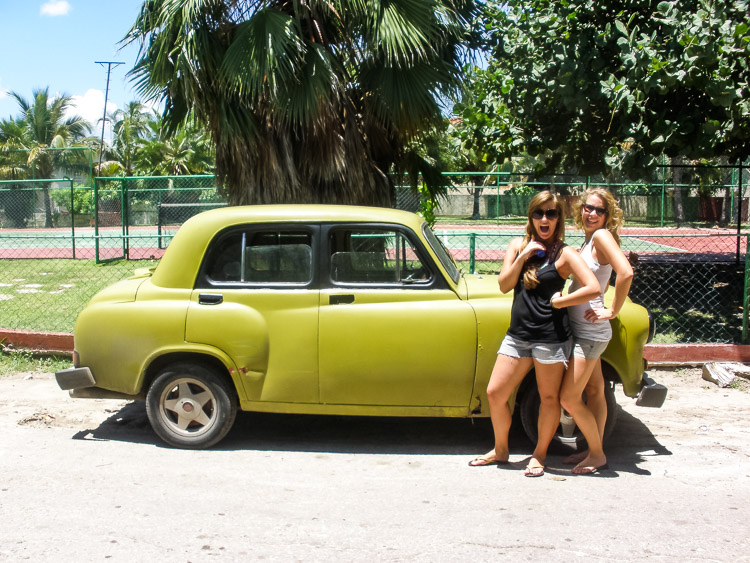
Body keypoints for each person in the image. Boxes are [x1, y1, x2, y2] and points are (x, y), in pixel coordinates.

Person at [469, 190, 600, 477]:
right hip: (517, 336)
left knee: (549, 399)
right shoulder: (517, 245)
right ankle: (501, 450)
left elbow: (593, 286)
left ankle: (539, 455)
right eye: (539, 213)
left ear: (558, 219)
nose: (545, 219)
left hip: (551, 338)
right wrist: (523, 256)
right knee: (495, 393)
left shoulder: (565, 253)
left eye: (551, 214)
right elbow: (504, 285)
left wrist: (561, 301)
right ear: (531, 216)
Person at [559, 188, 634, 475]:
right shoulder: (590, 239)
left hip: (591, 333)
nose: (591, 213)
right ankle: (592, 450)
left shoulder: (602, 236)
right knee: (595, 391)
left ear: (607, 215)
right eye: (588, 208)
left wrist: (612, 310)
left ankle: (597, 455)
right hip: (585, 330)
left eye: (599, 210)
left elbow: (625, 272)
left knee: (568, 398)